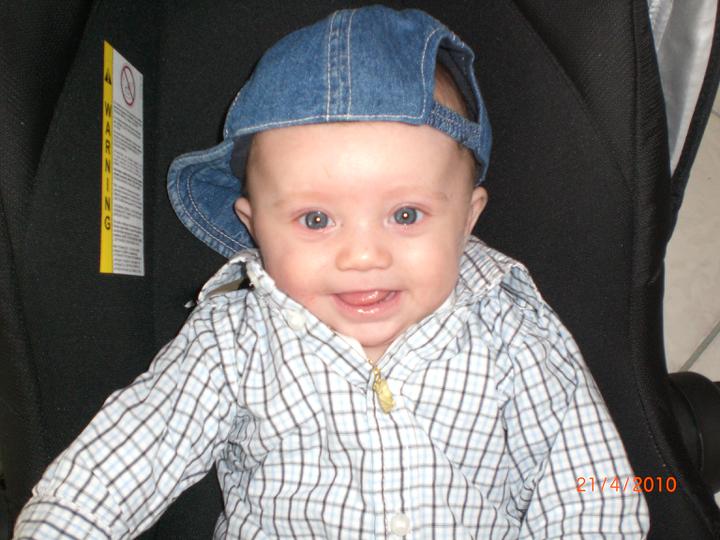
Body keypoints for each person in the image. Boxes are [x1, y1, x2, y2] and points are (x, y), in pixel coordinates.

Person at [14, 5, 649, 538]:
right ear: (253, 224)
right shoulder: (235, 338)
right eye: (316, 220)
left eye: (405, 214)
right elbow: (130, 454)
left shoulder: (512, 328)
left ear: (468, 217)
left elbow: (591, 485)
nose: (363, 256)